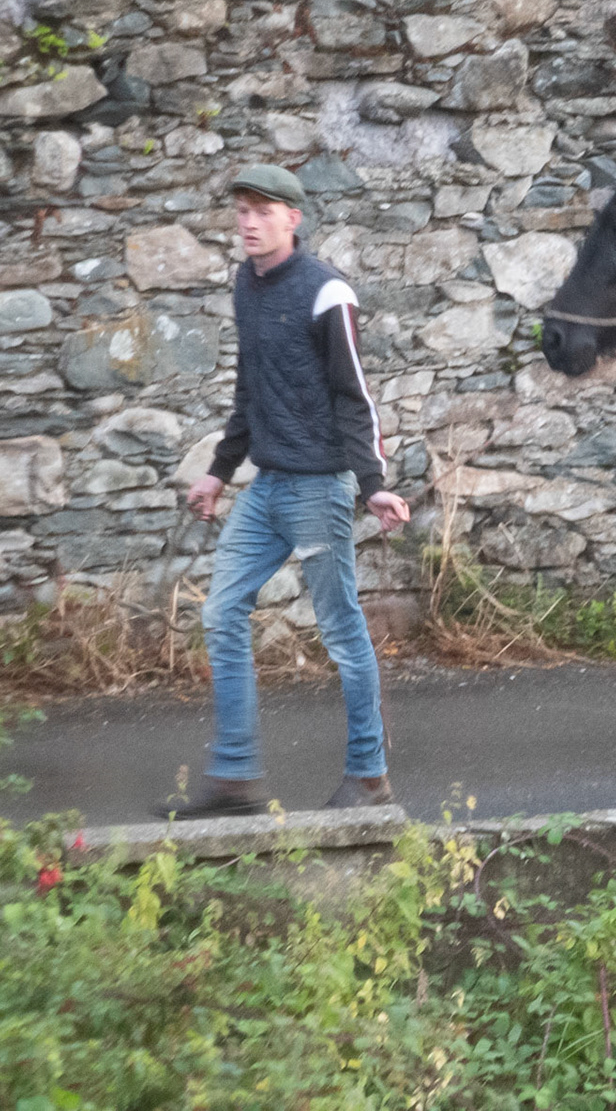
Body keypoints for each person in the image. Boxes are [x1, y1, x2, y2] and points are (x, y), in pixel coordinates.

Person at [154, 164, 412, 819]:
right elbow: (251, 387)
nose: (248, 221)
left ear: (293, 219)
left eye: (262, 211)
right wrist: (219, 468)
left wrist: (373, 485)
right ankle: (236, 777)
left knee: (341, 630)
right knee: (220, 611)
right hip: (267, 487)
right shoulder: (247, 284)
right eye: (241, 210)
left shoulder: (328, 294)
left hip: (320, 487)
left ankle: (369, 776)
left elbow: (355, 400)